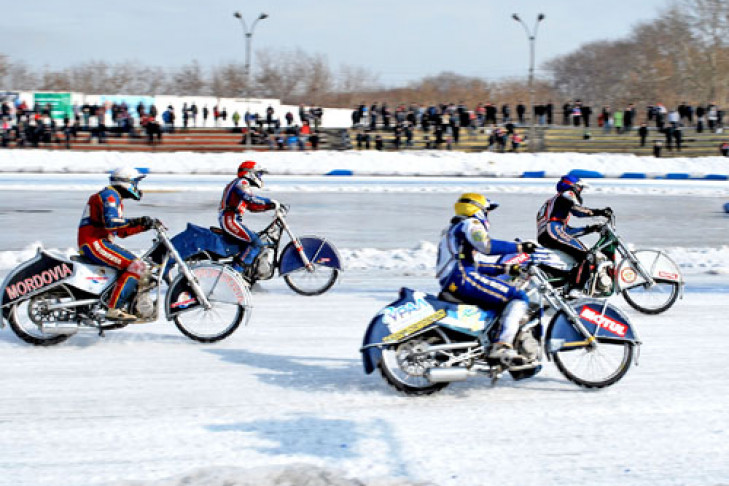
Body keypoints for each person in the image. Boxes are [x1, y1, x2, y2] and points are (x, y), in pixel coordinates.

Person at [436, 193, 538, 365]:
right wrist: (520, 247)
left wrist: (505, 268)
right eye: (487, 211)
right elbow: (487, 246)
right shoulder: (470, 223)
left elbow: (473, 265)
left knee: (499, 300)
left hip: (457, 278)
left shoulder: (454, 230)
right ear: (478, 209)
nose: (488, 216)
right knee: (518, 296)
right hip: (462, 278)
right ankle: (502, 345)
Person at [78, 167, 156, 321]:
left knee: (136, 264)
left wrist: (145, 226)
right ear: (126, 182)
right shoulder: (110, 196)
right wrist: (138, 220)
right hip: (94, 243)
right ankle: (114, 309)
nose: (137, 187)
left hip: (100, 242)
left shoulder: (114, 197)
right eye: (135, 183)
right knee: (137, 266)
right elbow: (112, 223)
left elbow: (121, 232)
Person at [536, 175, 612, 288]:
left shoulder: (553, 202)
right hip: (552, 233)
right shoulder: (567, 194)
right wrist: (600, 212)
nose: (580, 191)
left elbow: (566, 232)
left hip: (547, 234)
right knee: (587, 255)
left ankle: (567, 284)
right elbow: (577, 211)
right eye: (580, 188)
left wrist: (590, 229)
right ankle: (576, 288)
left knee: (577, 256)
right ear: (573, 186)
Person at [219, 161, 280, 270]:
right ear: (250, 173)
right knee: (255, 242)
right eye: (259, 174)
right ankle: (237, 271)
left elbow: (252, 207)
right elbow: (250, 198)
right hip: (230, 219)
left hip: (233, 219)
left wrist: (270, 206)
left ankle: (247, 270)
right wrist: (269, 201)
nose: (259, 177)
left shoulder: (241, 183)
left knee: (255, 239)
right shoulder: (242, 182)